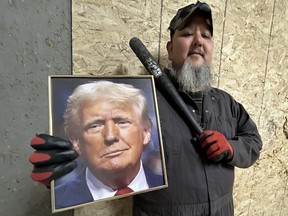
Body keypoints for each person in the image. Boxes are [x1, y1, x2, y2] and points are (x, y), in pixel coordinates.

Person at [29, 1, 262, 215]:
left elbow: (253, 140)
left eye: (206, 36)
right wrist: (64, 174)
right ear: (170, 49)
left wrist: (231, 149)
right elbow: (109, 158)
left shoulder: (227, 103)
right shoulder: (142, 101)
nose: (198, 41)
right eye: (188, 33)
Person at [30, 80, 164, 209]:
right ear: (76, 141)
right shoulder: (59, 201)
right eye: (95, 126)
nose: (111, 136)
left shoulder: (174, 189)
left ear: (146, 131)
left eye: (122, 122)